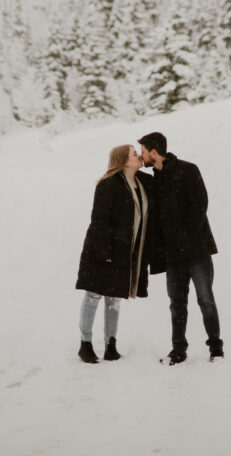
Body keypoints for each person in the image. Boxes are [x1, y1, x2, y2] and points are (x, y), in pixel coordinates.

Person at [138, 131, 223, 365]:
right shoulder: (154, 181)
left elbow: (200, 206)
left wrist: (184, 240)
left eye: (143, 152)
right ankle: (179, 350)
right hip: (173, 257)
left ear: (154, 152)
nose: (141, 156)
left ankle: (216, 349)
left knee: (205, 299)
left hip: (197, 251)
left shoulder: (188, 170)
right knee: (176, 303)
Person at [75, 144, 151, 363]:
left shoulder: (140, 184)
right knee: (93, 296)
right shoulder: (108, 184)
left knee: (114, 300)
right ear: (123, 160)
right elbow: (99, 220)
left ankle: (111, 345)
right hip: (103, 250)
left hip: (124, 252)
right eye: (134, 154)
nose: (138, 156)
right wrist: (105, 252)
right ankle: (85, 344)